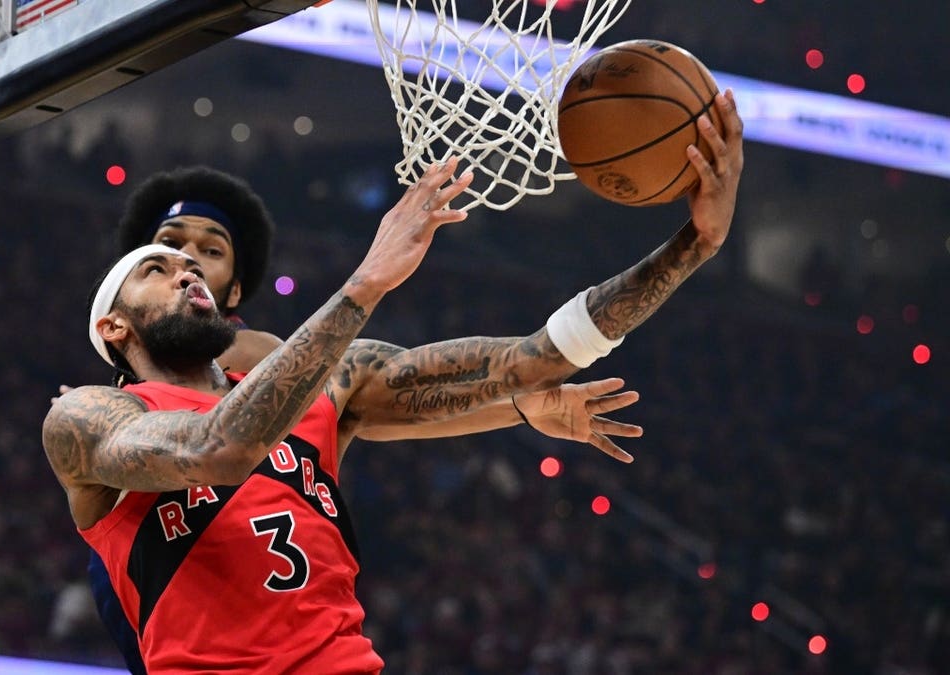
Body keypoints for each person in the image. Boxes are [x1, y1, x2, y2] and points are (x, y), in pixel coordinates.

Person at [43, 87, 741, 673]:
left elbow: (531, 358)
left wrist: (694, 245)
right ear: (113, 326)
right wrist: (365, 283)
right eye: (158, 266)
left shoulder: (323, 384)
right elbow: (216, 448)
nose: (186, 269)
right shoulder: (89, 417)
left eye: (198, 262)